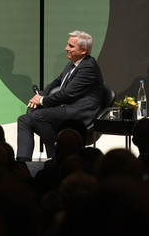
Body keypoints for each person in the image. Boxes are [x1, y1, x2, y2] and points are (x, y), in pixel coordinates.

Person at [16, 31, 104, 161]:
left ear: (83, 50)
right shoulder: (73, 63)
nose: (66, 48)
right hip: (66, 108)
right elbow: (56, 82)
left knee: (38, 116)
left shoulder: (88, 67)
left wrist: (42, 100)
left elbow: (67, 94)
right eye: (67, 44)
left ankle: (56, 157)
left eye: (71, 46)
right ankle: (22, 161)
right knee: (24, 120)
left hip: (79, 112)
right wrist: (41, 95)